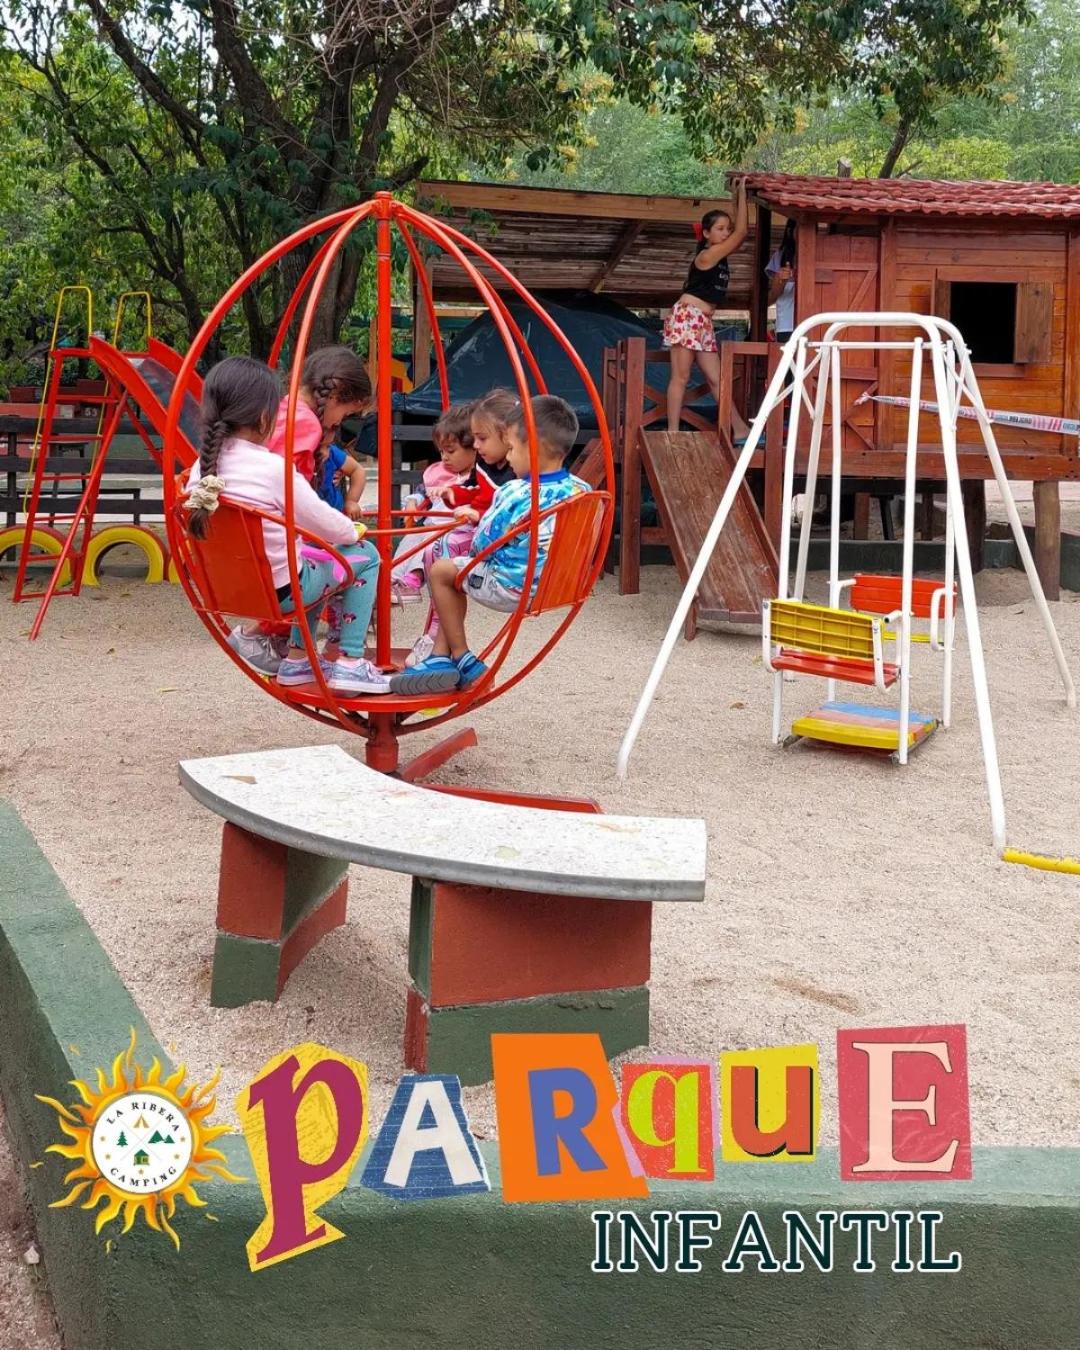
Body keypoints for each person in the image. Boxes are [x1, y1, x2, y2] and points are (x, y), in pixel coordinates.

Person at [183, 355, 390, 696]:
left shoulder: (202, 469)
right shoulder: (273, 469)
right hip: (280, 591)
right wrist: (351, 531)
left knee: (314, 559)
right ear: (265, 417)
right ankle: (352, 662)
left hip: (228, 589)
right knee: (364, 554)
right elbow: (322, 520)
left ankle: (298, 660)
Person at [390, 394, 587, 696]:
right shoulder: (582, 490)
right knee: (455, 568)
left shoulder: (514, 492)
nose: (509, 457)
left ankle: (463, 658)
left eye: (512, 448)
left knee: (443, 571)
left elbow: (482, 543)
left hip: (512, 586)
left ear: (532, 448)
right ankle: (440, 655)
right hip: (558, 586)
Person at [228, 345, 372, 673]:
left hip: (251, 551)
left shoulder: (280, 409)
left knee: (319, 554)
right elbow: (288, 491)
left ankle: (295, 652)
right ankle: (350, 659)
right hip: (277, 552)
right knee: (362, 555)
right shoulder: (305, 423)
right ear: (334, 394)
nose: (340, 422)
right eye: (345, 413)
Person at [663, 180, 748, 432]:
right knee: (681, 376)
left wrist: (735, 197)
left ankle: (739, 429)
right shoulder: (707, 255)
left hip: (703, 321)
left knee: (716, 378)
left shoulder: (720, 255)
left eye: (727, 229)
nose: (726, 233)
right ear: (707, 234)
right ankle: (673, 432)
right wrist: (742, 194)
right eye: (720, 229)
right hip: (688, 316)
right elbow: (742, 233)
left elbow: (737, 232)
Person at [390, 404, 479, 604]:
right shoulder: (441, 472)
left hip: (460, 533)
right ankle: (393, 578)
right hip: (435, 526)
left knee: (429, 540)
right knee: (412, 537)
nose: (444, 457)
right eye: (441, 451)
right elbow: (424, 490)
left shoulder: (477, 476)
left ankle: (413, 580)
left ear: (474, 448)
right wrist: (413, 501)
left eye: (451, 451)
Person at [469, 388, 519, 488]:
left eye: (482, 438)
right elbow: (472, 485)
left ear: (508, 435)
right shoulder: (482, 461)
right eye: (474, 437)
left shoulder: (518, 470)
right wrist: (453, 492)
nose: (475, 445)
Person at [766, 218, 797, 344]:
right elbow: (770, 299)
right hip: (786, 325)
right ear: (790, 231)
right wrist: (780, 280)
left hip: (816, 322)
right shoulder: (780, 256)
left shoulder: (822, 253)